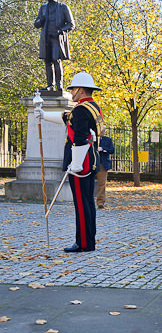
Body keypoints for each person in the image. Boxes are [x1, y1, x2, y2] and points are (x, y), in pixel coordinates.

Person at [35, 72, 102, 252]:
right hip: (90, 160)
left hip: (81, 163)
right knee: (88, 202)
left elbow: (80, 138)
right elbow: (67, 118)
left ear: (80, 90)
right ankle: (89, 241)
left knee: (81, 203)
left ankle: (83, 244)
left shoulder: (81, 110)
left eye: (73, 89)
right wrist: (43, 114)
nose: (71, 92)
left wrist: (76, 164)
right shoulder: (91, 107)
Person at [34, 0, 75, 91]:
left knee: (56, 60)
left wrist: (60, 31)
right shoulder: (43, 8)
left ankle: (59, 85)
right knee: (47, 61)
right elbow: (37, 24)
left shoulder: (63, 7)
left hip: (57, 38)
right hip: (46, 37)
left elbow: (71, 24)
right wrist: (40, 21)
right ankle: (50, 85)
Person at [96, 126, 115, 209]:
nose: (102, 132)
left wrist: (103, 149)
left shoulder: (108, 140)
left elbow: (112, 150)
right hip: (92, 164)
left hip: (102, 165)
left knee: (101, 184)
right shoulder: (92, 138)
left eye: (104, 130)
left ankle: (100, 202)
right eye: (101, 130)